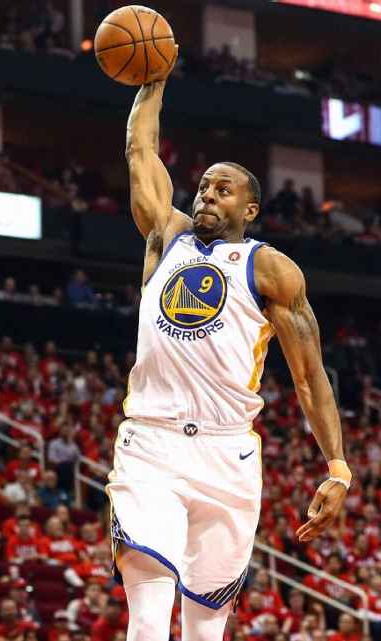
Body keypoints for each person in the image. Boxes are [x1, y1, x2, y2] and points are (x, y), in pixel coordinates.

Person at [111, 63, 351, 641]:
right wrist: (153, 82)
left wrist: (337, 467)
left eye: (224, 189)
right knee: (148, 602)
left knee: (206, 621)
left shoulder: (270, 269)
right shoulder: (166, 237)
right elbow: (140, 151)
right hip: (152, 441)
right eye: (204, 187)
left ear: (250, 210)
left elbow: (309, 376)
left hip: (228, 454)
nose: (208, 195)